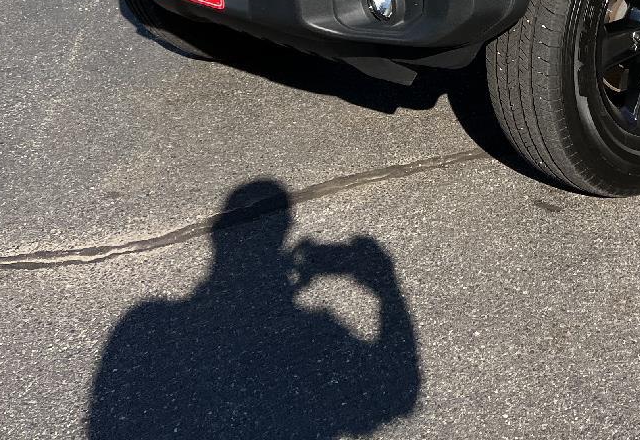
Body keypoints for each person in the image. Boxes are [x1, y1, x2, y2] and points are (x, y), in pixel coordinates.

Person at [88, 179, 421, 439]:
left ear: (217, 238)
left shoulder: (147, 324)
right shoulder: (314, 338)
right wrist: (384, 284)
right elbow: (399, 393)